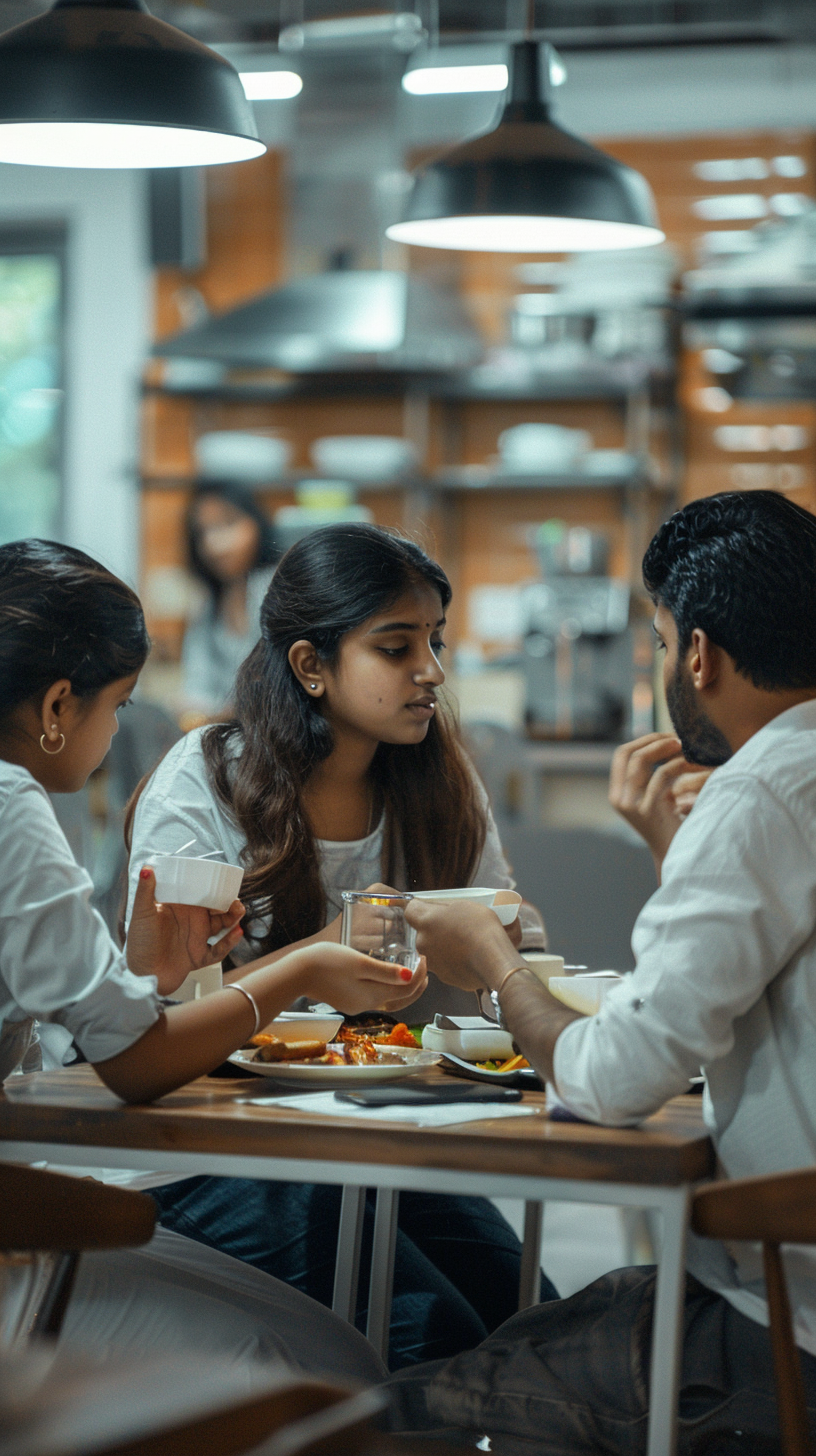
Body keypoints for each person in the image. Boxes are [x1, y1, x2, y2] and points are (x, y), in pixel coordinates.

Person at [384, 490, 816, 1452]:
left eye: (661, 645)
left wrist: (495, 963)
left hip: (785, 1332)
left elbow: (614, 1082)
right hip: (773, 1289)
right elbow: (753, 994)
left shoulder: (763, 789)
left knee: (397, 1410)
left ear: (698, 653)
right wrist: (682, 858)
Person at [126, 523, 552, 1369]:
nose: (430, 671)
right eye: (397, 647)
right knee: (437, 1337)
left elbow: (496, 944)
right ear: (311, 666)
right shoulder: (206, 780)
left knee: (533, 1324)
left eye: (434, 641)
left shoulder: (440, 780)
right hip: (204, 1152)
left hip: (369, 1135)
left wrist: (504, 950)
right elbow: (155, 1011)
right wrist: (328, 947)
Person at [0, 536, 421, 1382]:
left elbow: (96, 1023)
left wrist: (145, 985)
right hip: (22, 1226)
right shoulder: (12, 805)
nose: (120, 727)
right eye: (117, 704)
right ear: (55, 707)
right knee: (345, 1364)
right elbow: (134, 1063)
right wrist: (301, 969)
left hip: (29, 1203)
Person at [182, 481, 279, 718]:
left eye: (228, 523)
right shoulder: (210, 602)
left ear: (257, 522)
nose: (214, 544)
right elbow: (196, 684)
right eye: (202, 532)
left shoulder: (277, 587)